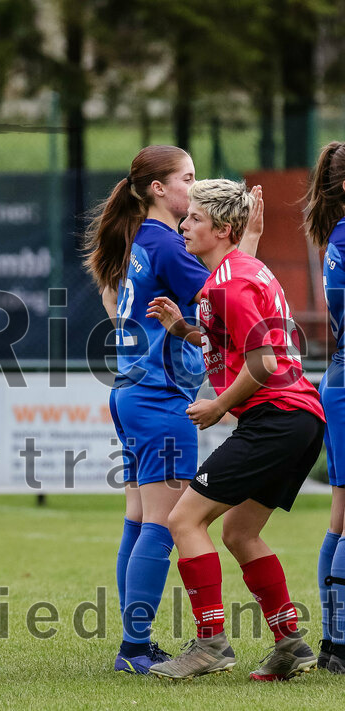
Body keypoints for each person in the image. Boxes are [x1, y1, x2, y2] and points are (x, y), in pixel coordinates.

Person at [82, 146, 261, 674]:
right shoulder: (167, 245)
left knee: (139, 520)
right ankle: (135, 648)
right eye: (187, 177)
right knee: (162, 524)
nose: (195, 184)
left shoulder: (144, 238)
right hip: (159, 398)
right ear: (159, 188)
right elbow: (226, 301)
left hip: (133, 392)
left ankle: (134, 643)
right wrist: (247, 239)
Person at [146, 179, 324, 681]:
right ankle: (290, 642)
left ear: (222, 229)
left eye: (195, 219)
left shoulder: (228, 283)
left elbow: (263, 361)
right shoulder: (240, 269)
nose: (184, 225)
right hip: (299, 420)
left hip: (276, 418)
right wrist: (182, 328)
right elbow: (226, 335)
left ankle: (210, 643)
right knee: (240, 531)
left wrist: (218, 405)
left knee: (183, 521)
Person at [304, 141, 345, 672]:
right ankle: (339, 642)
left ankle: (335, 644)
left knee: (340, 515)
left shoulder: (337, 236)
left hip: (337, 378)